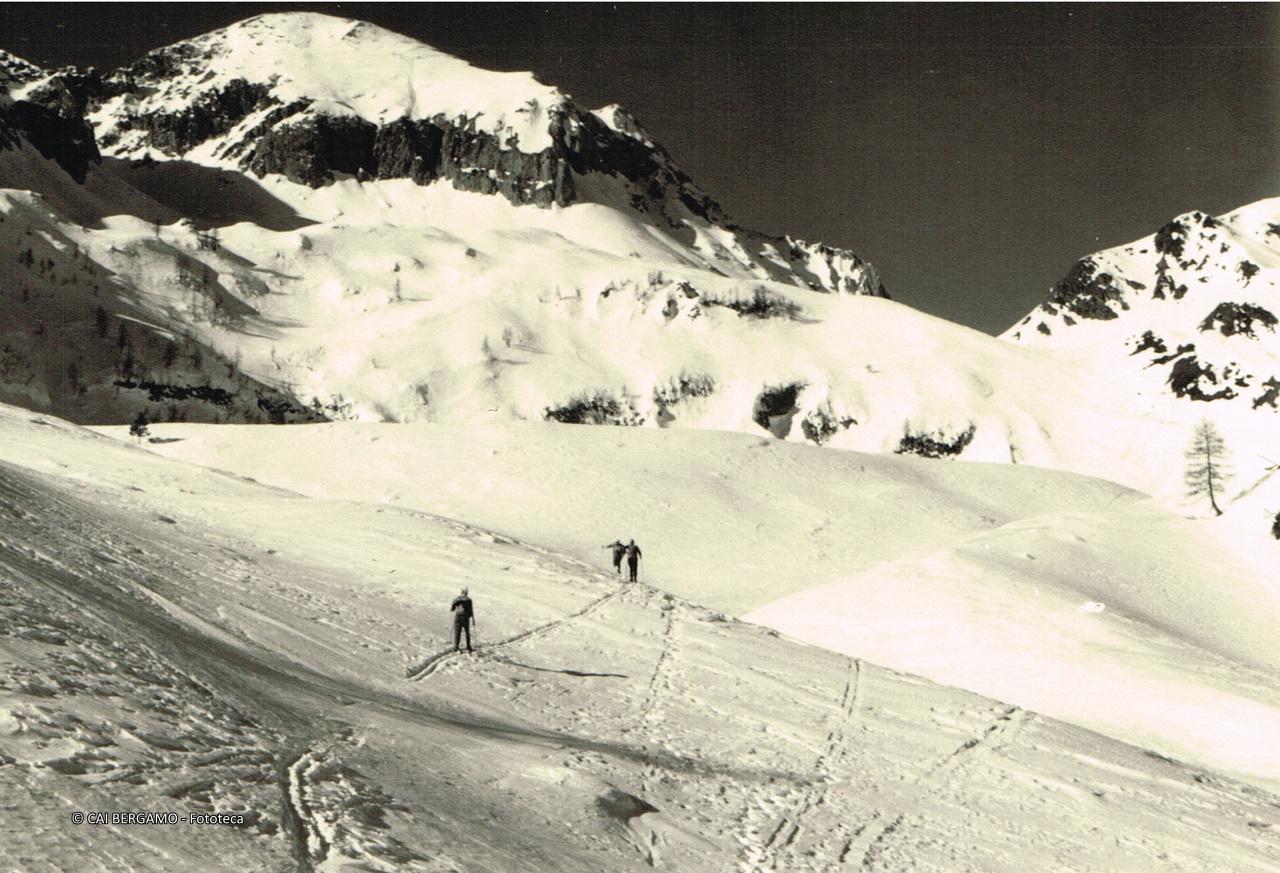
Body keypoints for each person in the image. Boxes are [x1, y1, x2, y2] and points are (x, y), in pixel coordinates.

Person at [450, 587, 475, 653]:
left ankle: (456, 647)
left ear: (461, 592)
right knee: (467, 632)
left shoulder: (457, 599)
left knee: (457, 632)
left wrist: (453, 609)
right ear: (467, 592)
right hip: (465, 617)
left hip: (457, 616)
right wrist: (470, 617)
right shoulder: (469, 600)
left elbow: (452, 608)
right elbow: (470, 610)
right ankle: (468, 646)